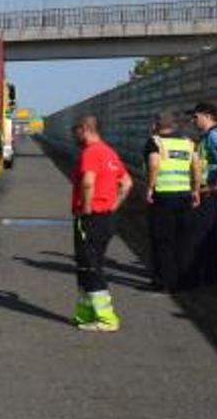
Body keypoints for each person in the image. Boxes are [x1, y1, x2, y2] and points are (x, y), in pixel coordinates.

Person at [71, 115, 133, 331]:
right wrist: (114, 205)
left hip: (91, 217)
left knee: (90, 266)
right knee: (89, 264)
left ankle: (107, 319)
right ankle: (86, 314)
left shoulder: (90, 152)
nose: (74, 136)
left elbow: (88, 182)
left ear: (84, 129)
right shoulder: (109, 152)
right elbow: (127, 183)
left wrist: (87, 208)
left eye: (75, 131)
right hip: (107, 217)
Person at [143, 111, 200, 293]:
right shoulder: (188, 143)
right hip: (184, 195)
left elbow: (153, 164)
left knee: (163, 240)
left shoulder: (155, 142)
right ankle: (183, 280)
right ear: (174, 125)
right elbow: (196, 167)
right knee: (182, 240)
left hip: (163, 197)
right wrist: (196, 190)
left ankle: (163, 282)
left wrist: (150, 187)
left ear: (156, 125)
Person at [186, 101, 217, 286]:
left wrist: (216, 185)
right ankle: (210, 276)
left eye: (195, 117)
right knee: (208, 232)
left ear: (207, 116)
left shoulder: (215, 135)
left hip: (215, 190)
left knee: (200, 232)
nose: (193, 121)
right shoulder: (208, 136)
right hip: (211, 189)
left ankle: (196, 275)